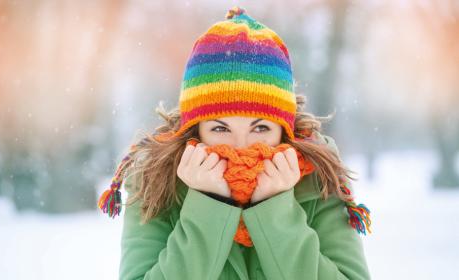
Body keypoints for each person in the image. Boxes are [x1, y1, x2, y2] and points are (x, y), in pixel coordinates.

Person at [98, 6, 371, 280]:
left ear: (283, 130)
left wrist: (276, 211)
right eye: (220, 128)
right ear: (196, 131)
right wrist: (208, 205)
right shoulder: (154, 182)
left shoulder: (318, 179)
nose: (241, 147)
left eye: (260, 127)